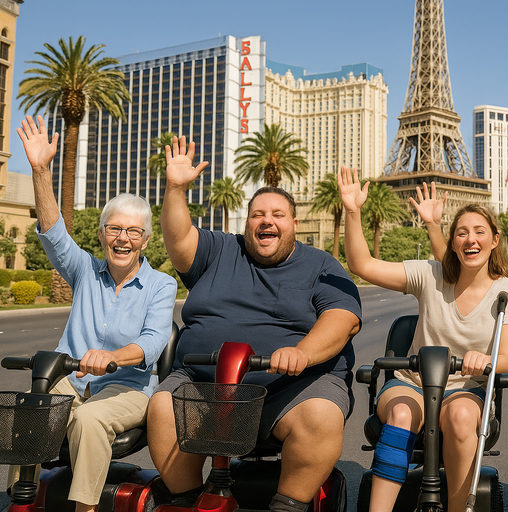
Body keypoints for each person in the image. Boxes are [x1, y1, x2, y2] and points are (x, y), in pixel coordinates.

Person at [147, 137, 362, 512]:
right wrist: (176, 189)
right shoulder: (219, 248)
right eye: (258, 214)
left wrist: (302, 352)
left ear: (295, 223)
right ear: (246, 222)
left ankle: (288, 505)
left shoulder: (321, 265)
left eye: (278, 214)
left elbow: (343, 319)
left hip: (291, 389)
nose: (267, 221)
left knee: (321, 415)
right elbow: (179, 239)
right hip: (204, 382)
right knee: (164, 406)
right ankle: (184, 500)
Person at [12, 115, 178, 512]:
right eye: (114, 229)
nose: (123, 238)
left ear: (146, 239)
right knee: (28, 412)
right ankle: (18, 502)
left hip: (129, 388)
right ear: (102, 233)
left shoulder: (161, 285)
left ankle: (83, 509)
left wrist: (113, 358)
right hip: (69, 380)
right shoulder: (84, 269)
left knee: (88, 421)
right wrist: (39, 170)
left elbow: (154, 342)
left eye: (133, 231)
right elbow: (53, 231)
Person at [338, 168, 508, 512]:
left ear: (495, 240)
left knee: (462, 420)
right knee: (400, 415)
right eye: (462, 233)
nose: (471, 239)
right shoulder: (430, 274)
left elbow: (507, 357)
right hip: (411, 384)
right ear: (452, 241)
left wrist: (484, 361)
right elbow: (361, 264)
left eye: (480, 232)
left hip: (467, 388)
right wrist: (353, 211)